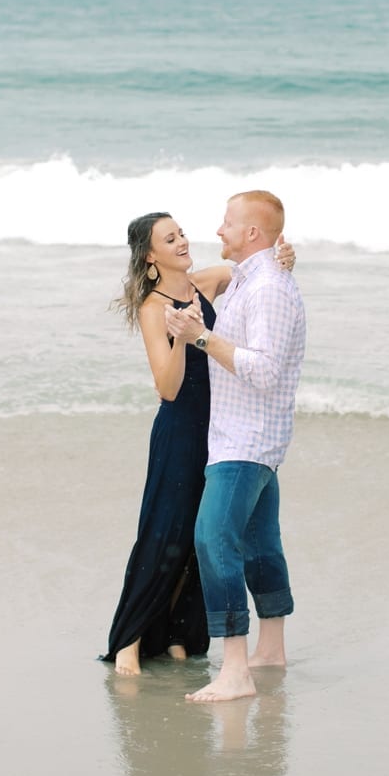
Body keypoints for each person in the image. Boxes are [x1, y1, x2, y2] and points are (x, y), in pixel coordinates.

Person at [102, 212, 295, 676]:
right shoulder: (153, 307)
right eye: (171, 239)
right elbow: (167, 387)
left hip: (220, 427)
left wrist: (283, 257)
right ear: (151, 256)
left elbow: (255, 270)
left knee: (197, 533)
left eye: (182, 233)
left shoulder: (204, 283)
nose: (184, 241)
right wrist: (184, 336)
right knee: (163, 528)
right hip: (179, 430)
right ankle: (128, 639)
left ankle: (178, 636)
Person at [164, 190, 307, 703]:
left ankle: (235, 671)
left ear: (252, 234)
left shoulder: (267, 286)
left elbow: (265, 370)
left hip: (246, 439)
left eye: (227, 224)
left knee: (213, 539)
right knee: (260, 544)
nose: (218, 231)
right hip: (250, 437)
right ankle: (271, 651)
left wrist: (200, 337)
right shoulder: (254, 278)